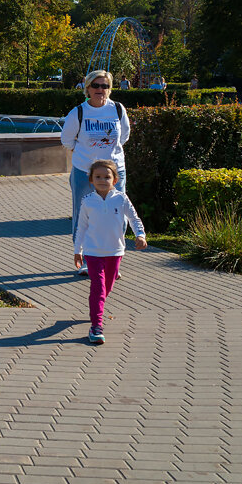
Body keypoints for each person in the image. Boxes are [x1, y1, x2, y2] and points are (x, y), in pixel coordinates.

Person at [60, 69, 130, 276]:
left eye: (105, 86)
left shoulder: (117, 109)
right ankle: (85, 260)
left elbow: (123, 136)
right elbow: (66, 140)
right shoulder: (78, 112)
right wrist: (88, 155)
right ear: (88, 88)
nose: (101, 90)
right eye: (96, 86)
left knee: (118, 215)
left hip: (114, 172)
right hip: (85, 172)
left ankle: (112, 261)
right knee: (84, 215)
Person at [73, 160, 147, 345]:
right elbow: (81, 227)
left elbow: (134, 219)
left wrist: (140, 235)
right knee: (98, 287)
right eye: (98, 177)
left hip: (115, 251)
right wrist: (78, 251)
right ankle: (96, 326)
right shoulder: (87, 201)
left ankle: (96, 306)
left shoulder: (121, 199)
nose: (102, 180)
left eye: (107, 177)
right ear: (91, 180)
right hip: (93, 252)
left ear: (115, 180)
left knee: (108, 286)